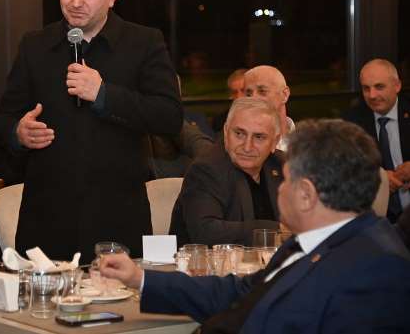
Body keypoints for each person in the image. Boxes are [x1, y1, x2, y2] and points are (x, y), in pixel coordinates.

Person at [102, 119, 410, 333]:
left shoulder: (374, 270)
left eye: (286, 180)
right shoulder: (316, 241)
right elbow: (239, 292)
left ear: (306, 195)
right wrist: (140, 278)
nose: (279, 189)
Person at [0, 0, 183, 259]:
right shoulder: (35, 46)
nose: (76, 2)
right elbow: (1, 121)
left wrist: (104, 94)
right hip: (47, 220)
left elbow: (169, 116)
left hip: (117, 217)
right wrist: (18, 132)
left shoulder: (144, 43)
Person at [170, 98, 283, 247]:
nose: (247, 147)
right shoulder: (206, 169)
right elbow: (206, 232)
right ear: (225, 132)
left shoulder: (283, 166)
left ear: (275, 141)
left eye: (259, 137)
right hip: (205, 261)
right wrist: (278, 230)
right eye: (239, 134)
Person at [343, 58, 410, 222]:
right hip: (376, 220)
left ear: (397, 86)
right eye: (366, 88)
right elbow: (344, 168)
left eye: (379, 87)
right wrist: (377, 177)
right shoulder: (352, 121)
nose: (372, 95)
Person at [243, 65, 294, 151]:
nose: (253, 98)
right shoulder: (239, 146)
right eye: (248, 94)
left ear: (284, 95)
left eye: (262, 91)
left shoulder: (309, 141)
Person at [212, 68, 247, 133]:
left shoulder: (265, 116)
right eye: (234, 92)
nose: (239, 97)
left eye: (243, 91)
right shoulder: (221, 120)